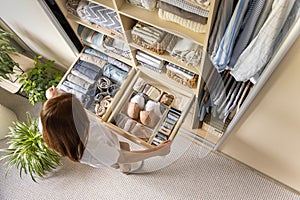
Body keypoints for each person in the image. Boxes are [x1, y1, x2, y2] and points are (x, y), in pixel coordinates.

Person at [39, 86, 171, 173]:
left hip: (100, 145)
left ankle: (123, 166)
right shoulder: (93, 146)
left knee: (123, 146)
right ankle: (125, 170)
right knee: (119, 158)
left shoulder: (47, 123)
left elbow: (56, 113)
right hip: (102, 154)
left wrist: (52, 98)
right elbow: (123, 156)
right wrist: (156, 151)